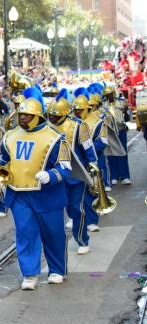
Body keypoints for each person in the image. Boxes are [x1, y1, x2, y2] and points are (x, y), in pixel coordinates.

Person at [0, 87, 71, 290]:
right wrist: (0, 176)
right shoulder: (9, 136)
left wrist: (51, 176)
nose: (22, 119)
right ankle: (29, 273)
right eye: (21, 115)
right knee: (25, 232)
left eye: (27, 116)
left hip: (48, 195)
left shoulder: (56, 137)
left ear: (37, 116)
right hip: (19, 193)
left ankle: (56, 269)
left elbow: (66, 167)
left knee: (53, 233)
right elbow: (3, 160)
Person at [47, 89, 97, 255]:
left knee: (77, 208)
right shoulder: (47, 127)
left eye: (55, 116)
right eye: (51, 115)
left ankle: (82, 240)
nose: (52, 118)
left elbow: (89, 149)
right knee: (55, 210)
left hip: (75, 176)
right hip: (54, 176)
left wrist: (93, 169)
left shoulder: (78, 126)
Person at [72, 88, 108, 233]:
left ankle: (92, 220)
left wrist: (89, 151)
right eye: (75, 110)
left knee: (90, 191)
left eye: (80, 110)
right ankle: (75, 218)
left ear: (87, 109)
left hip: (92, 159)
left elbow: (103, 141)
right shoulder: (73, 123)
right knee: (74, 192)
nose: (77, 112)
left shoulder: (98, 122)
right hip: (76, 161)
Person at [103, 86, 131, 185]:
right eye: (107, 95)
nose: (108, 96)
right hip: (109, 131)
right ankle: (114, 176)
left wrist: (126, 109)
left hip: (120, 129)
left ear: (113, 93)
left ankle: (125, 176)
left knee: (122, 153)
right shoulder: (103, 105)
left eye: (110, 94)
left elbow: (128, 116)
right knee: (111, 153)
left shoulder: (121, 101)